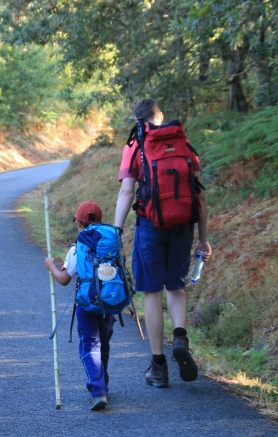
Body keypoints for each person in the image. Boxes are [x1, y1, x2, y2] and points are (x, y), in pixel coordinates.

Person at [114, 98, 212, 388]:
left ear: (137, 120)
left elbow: (126, 192)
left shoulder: (134, 146)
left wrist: (115, 232)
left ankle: (159, 366)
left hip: (150, 227)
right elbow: (201, 196)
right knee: (176, 286)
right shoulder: (183, 144)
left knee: (152, 293)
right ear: (161, 117)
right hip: (183, 226)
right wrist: (204, 240)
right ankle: (180, 336)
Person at [44, 201, 114, 411]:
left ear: (78, 223)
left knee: (90, 345)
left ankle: (99, 389)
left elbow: (64, 279)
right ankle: (102, 381)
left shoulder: (78, 248)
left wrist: (51, 266)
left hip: (87, 303)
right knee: (104, 342)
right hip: (109, 301)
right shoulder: (110, 242)